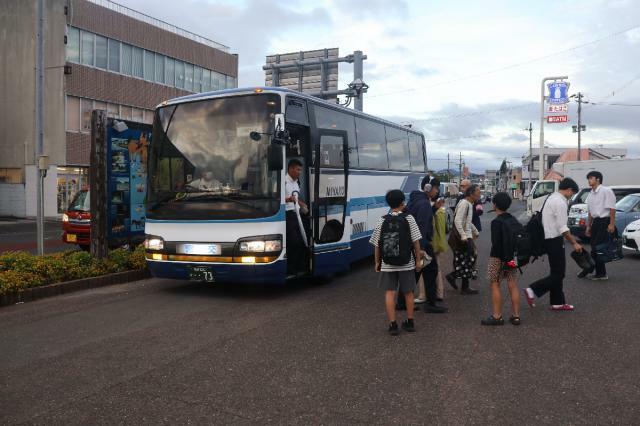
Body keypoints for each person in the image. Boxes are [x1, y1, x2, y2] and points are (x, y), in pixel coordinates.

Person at [369, 190, 424, 335]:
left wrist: (377, 262)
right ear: (402, 202)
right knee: (408, 292)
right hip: (407, 263)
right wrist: (418, 260)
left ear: (388, 203)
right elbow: (416, 241)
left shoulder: (382, 219)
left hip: (387, 263)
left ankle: (393, 324)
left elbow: (377, 244)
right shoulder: (409, 218)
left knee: (389, 292)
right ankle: (410, 322)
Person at [523, 178, 583, 311]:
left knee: (556, 272)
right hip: (555, 240)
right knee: (559, 274)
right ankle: (532, 290)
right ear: (568, 190)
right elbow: (562, 227)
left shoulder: (550, 197)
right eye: (572, 193)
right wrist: (574, 243)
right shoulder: (560, 202)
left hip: (547, 239)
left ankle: (557, 302)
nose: (571, 196)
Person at [406, 177, 448, 313]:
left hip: (414, 242)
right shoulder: (424, 203)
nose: (437, 191)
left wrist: (434, 208)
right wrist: (422, 249)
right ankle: (431, 304)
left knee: (414, 273)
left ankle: (402, 302)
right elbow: (422, 226)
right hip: (422, 244)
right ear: (428, 188)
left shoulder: (415, 200)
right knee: (431, 271)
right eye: (436, 188)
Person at [481, 192, 521, 326]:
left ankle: (497, 316)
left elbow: (496, 243)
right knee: (512, 284)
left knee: (495, 283)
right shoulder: (513, 220)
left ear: (495, 205)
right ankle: (516, 316)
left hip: (498, 257)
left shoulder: (496, 222)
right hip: (512, 257)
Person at [581, 171, 616, 281]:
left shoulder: (606, 191)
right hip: (596, 222)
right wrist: (588, 226)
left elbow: (612, 208)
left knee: (597, 247)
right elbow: (591, 212)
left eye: (591, 178)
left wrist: (611, 224)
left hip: (605, 221)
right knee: (594, 247)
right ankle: (600, 272)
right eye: (588, 178)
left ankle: (595, 271)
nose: (589, 180)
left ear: (598, 179)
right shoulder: (591, 193)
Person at [446, 184, 481, 294]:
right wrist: (464, 235)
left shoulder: (468, 203)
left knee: (467, 260)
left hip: (466, 236)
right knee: (468, 259)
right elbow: (457, 220)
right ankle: (453, 277)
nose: (480, 194)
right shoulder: (465, 204)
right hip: (463, 238)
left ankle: (464, 287)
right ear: (471, 194)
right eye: (478, 192)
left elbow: (467, 221)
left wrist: (474, 230)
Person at [285, 159, 308, 275]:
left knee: (302, 240)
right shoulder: (283, 182)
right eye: (298, 170)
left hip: (297, 214)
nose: (299, 172)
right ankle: (290, 269)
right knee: (293, 242)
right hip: (288, 214)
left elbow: (296, 198)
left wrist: (302, 204)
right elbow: (276, 197)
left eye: (300, 170)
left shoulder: (296, 182)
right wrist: (288, 199)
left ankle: (299, 267)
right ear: (291, 169)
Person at [432, 197, 448, 301]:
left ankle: (430, 294)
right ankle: (440, 293)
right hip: (440, 242)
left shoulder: (434, 212)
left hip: (433, 243)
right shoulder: (443, 212)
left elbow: (433, 229)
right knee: (437, 268)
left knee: (431, 269)